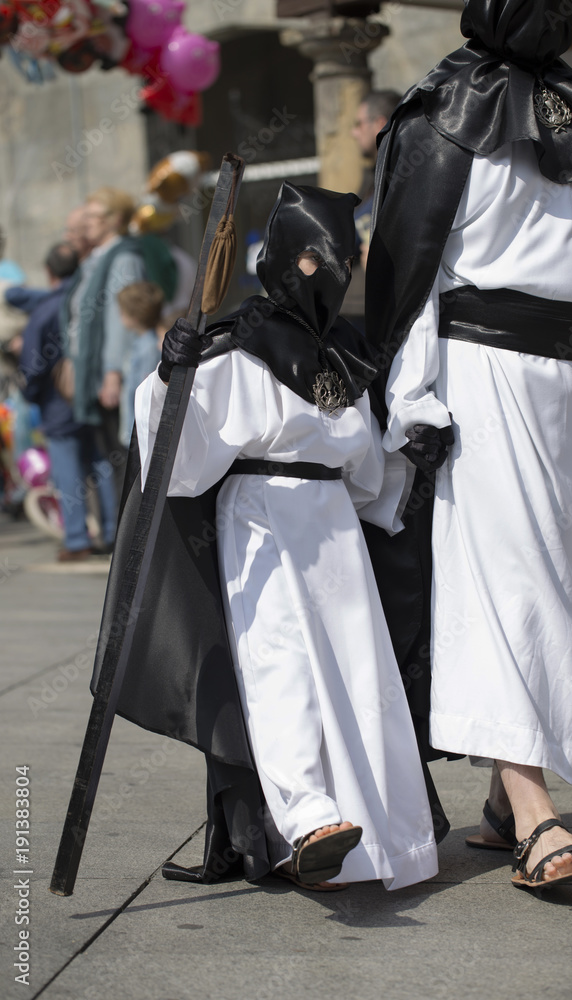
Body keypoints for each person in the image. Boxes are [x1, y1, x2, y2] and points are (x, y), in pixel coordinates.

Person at [365, 0, 572, 892]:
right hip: (484, 380)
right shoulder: (438, 111)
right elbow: (412, 267)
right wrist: (413, 393)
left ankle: (503, 805)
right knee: (504, 592)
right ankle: (534, 818)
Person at [94, 183, 439, 891]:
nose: (331, 272)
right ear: (283, 259)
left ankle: (386, 836)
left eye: (344, 258)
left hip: (334, 522)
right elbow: (179, 464)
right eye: (316, 259)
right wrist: (171, 378)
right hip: (262, 517)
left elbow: (368, 466)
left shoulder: (344, 351)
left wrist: (414, 458)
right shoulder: (238, 343)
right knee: (278, 667)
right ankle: (306, 819)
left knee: (356, 674)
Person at [18, 243, 117, 560]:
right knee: (99, 462)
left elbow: (32, 365)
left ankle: (76, 538)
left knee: (68, 468)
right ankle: (113, 530)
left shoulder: (45, 310)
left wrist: (31, 394)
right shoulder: (85, 301)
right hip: (92, 390)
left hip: (57, 398)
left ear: (49, 273)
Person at [61, 187, 146, 506]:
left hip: (117, 376)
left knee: (124, 459)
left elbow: (120, 320)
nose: (87, 224)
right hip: (97, 373)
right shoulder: (96, 260)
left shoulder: (123, 259)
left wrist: (112, 373)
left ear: (116, 220)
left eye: (96, 216)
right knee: (113, 459)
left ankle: (132, 543)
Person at [341, 90, 401, 331]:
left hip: (384, 316)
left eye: (359, 124)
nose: (354, 133)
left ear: (379, 124)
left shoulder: (405, 174)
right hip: (357, 310)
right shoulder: (372, 177)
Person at [116, 281, 163, 448]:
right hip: (133, 431)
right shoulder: (140, 343)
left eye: (122, 312)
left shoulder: (149, 348)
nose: (119, 316)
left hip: (139, 436)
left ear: (134, 317)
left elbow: (144, 393)